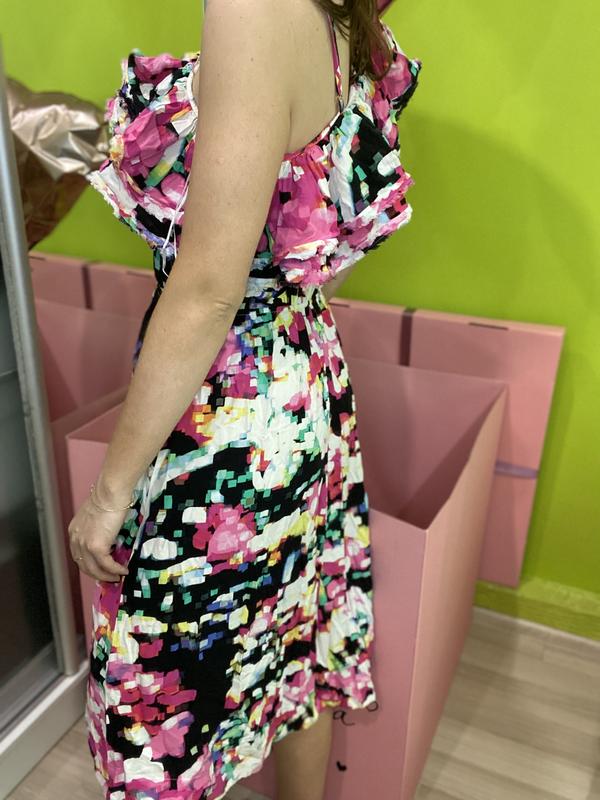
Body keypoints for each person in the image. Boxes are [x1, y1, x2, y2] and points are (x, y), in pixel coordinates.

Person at [68, 1, 421, 798]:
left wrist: (107, 496)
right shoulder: (344, 19)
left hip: (229, 410)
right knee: (295, 641)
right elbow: (321, 231)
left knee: (158, 709)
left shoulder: (255, 6)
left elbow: (206, 290)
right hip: (304, 376)